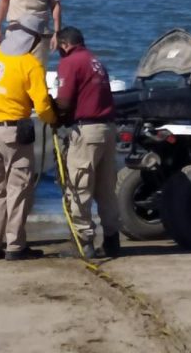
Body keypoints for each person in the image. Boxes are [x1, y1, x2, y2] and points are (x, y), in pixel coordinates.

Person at [0, 13, 57, 261]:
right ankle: (15, 245)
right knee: (18, 188)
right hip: (14, 132)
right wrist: (54, 120)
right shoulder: (30, 64)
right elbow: (43, 105)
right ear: (33, 40)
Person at [55, 26, 120, 259]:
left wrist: (54, 115)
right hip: (108, 128)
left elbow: (63, 101)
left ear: (65, 44)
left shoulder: (71, 62)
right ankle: (112, 239)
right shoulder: (95, 61)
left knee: (79, 186)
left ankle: (84, 242)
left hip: (87, 131)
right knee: (106, 189)